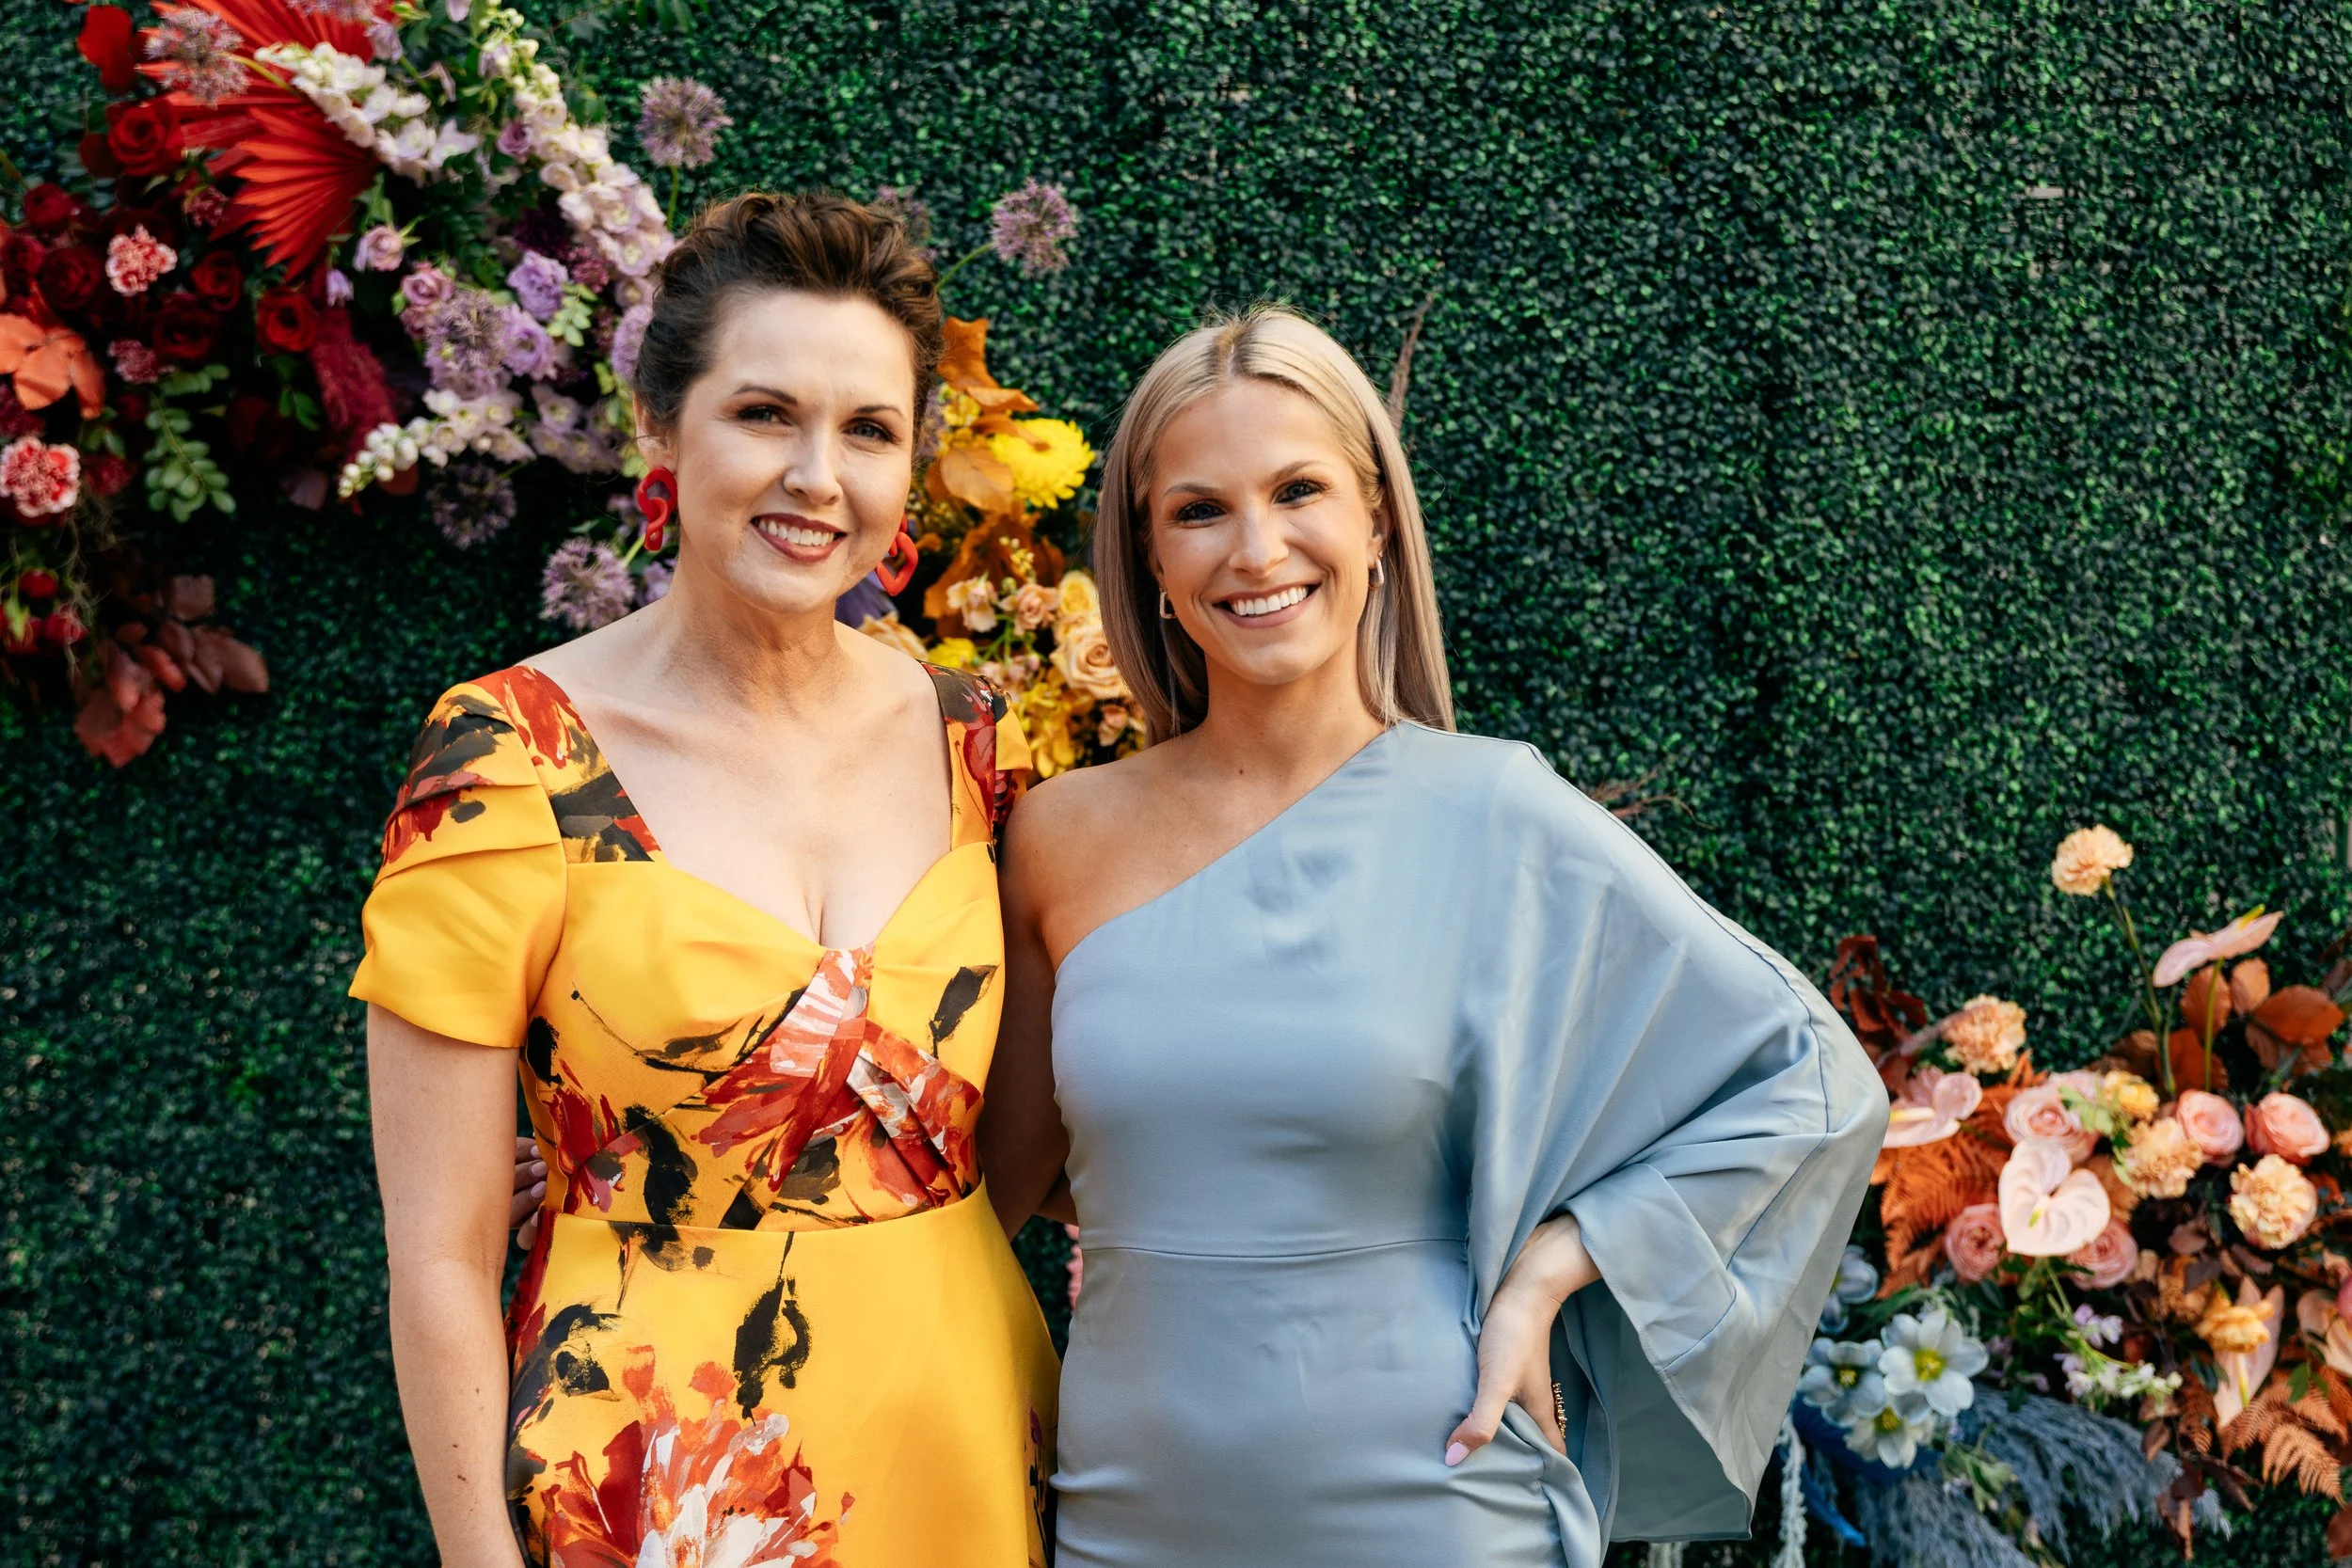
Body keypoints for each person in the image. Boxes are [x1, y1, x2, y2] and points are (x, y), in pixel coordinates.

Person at [980, 305, 1889, 1566]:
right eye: (1198, 509)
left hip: (1435, 1500)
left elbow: (1809, 1079)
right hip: (1131, 1514)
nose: (1256, 549)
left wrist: (1561, 1264)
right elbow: (977, 1195)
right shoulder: (1058, 836)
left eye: (1300, 489)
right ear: (1144, 555)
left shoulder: (1499, 812)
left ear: (1376, 520)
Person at [354, 192, 1057, 1568]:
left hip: (969, 1451)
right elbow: (437, 1253)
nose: (818, 476)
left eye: (870, 431)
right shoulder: (509, 757)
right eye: (764, 413)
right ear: (661, 429)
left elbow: (1012, 1140)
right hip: (654, 1492)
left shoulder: (973, 737)